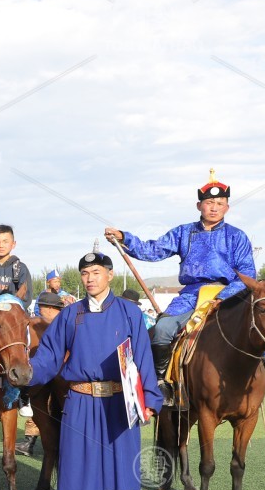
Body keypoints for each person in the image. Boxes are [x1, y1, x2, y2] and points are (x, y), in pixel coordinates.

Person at [23, 252, 163, 490]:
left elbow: (142, 356)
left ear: (109, 275)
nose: (90, 278)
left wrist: (150, 398)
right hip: (81, 399)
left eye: (96, 272)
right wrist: (29, 372)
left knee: (121, 462)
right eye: (85, 273)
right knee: (79, 461)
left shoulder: (129, 312)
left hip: (120, 400)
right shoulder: (69, 315)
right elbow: (49, 354)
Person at [104, 169, 256, 404]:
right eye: (209, 203)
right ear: (199, 206)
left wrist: (222, 297)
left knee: (258, 329)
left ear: (227, 207)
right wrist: (125, 238)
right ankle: (161, 384)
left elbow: (247, 275)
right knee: (162, 329)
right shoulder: (183, 233)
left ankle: (254, 382)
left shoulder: (237, 236)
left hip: (229, 296)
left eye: (220, 203)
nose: (214, 208)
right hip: (191, 296)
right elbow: (152, 250)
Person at [16, 291, 64, 457]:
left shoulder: (53, 325)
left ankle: (31, 442)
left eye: (41, 308)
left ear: (50, 308)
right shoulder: (59, 322)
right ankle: (31, 441)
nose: (40, 312)